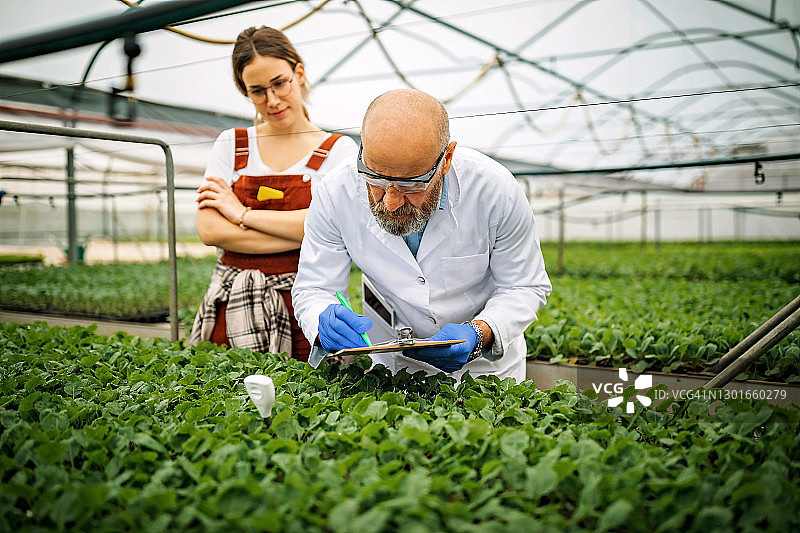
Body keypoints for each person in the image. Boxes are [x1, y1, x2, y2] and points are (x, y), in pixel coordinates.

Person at [291, 89, 551, 381]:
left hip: (481, 373)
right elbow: (313, 287)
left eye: (411, 185)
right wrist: (322, 317)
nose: (390, 202)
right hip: (388, 368)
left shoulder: (495, 190)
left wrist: (480, 334)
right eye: (375, 179)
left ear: (447, 159)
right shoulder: (334, 192)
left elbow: (525, 285)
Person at [188, 26, 357, 362]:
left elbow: (334, 230)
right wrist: (304, 230)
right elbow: (210, 231)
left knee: (312, 404)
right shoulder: (232, 144)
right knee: (225, 400)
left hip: (308, 309)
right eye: (258, 91)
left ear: (299, 72)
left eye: (280, 83)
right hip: (233, 304)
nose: (273, 100)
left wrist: (241, 215)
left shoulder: (338, 150)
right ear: (245, 92)